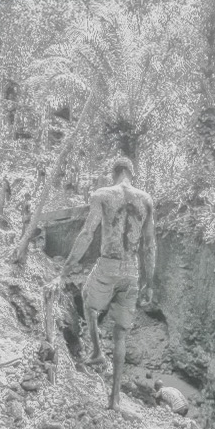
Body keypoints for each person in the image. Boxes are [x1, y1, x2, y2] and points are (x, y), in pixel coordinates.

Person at [48, 152, 158, 399]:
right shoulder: (146, 199)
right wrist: (149, 284)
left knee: (88, 299)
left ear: (114, 173)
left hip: (108, 265)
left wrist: (64, 271)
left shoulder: (103, 195)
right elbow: (150, 245)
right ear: (131, 173)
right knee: (121, 334)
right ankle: (115, 397)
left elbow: (87, 233)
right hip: (132, 270)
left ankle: (97, 352)